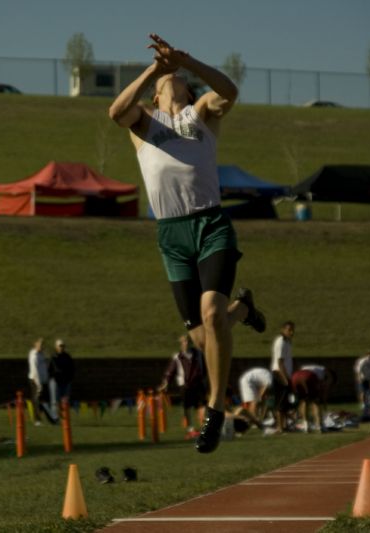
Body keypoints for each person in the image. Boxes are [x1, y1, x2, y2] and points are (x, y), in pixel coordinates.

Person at [108, 33, 266, 454]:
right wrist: (154, 70)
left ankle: (215, 408)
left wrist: (188, 61)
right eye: (165, 81)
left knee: (211, 313)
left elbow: (230, 92)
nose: (171, 80)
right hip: (171, 235)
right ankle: (244, 309)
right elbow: (115, 111)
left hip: (210, 224)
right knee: (202, 336)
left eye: (176, 77)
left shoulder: (201, 114)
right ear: (155, 95)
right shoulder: (143, 125)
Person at [157, 334, 207, 439]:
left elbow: (206, 368)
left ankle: (204, 428)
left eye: (188, 341)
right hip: (185, 386)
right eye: (184, 341)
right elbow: (170, 372)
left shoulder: (199, 354)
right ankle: (190, 429)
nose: (186, 343)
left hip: (199, 384)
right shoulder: (177, 357)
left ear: (192, 343)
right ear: (181, 343)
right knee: (187, 407)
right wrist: (165, 383)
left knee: (202, 406)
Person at [270, 321, 295, 433]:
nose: (291, 332)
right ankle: (279, 427)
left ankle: (285, 425)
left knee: (285, 403)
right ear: (283, 329)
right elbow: (280, 362)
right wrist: (285, 379)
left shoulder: (287, 342)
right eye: (289, 329)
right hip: (279, 374)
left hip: (286, 375)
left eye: (292, 330)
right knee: (280, 402)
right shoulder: (280, 342)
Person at [27, 338, 55, 425]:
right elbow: (35, 371)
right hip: (35, 381)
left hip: (43, 381)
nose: (41, 346)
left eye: (42, 344)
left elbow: (44, 367)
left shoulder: (41, 354)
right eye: (39, 344)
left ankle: (52, 419)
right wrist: (39, 386)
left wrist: (47, 361)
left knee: (45, 401)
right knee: (36, 401)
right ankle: (37, 420)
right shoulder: (34, 355)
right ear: (35, 345)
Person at [236, 367, 272, 432]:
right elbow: (262, 394)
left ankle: (250, 420)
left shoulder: (268, 378)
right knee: (254, 402)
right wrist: (260, 399)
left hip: (249, 381)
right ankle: (253, 422)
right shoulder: (270, 382)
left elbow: (263, 395)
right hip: (247, 381)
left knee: (253, 402)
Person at [48, 339, 75, 416]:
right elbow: (49, 370)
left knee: (66, 401)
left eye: (63, 346)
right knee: (55, 401)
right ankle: (55, 417)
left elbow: (72, 368)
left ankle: (65, 418)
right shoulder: (53, 357)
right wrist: (54, 376)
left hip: (66, 381)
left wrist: (70, 378)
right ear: (56, 347)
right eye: (60, 346)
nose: (61, 347)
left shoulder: (67, 356)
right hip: (55, 381)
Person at [291, 367, 323, 433]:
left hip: (295, 378)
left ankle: (306, 425)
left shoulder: (304, 369)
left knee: (304, 401)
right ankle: (319, 426)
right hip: (309, 377)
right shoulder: (320, 373)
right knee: (315, 402)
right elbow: (319, 386)